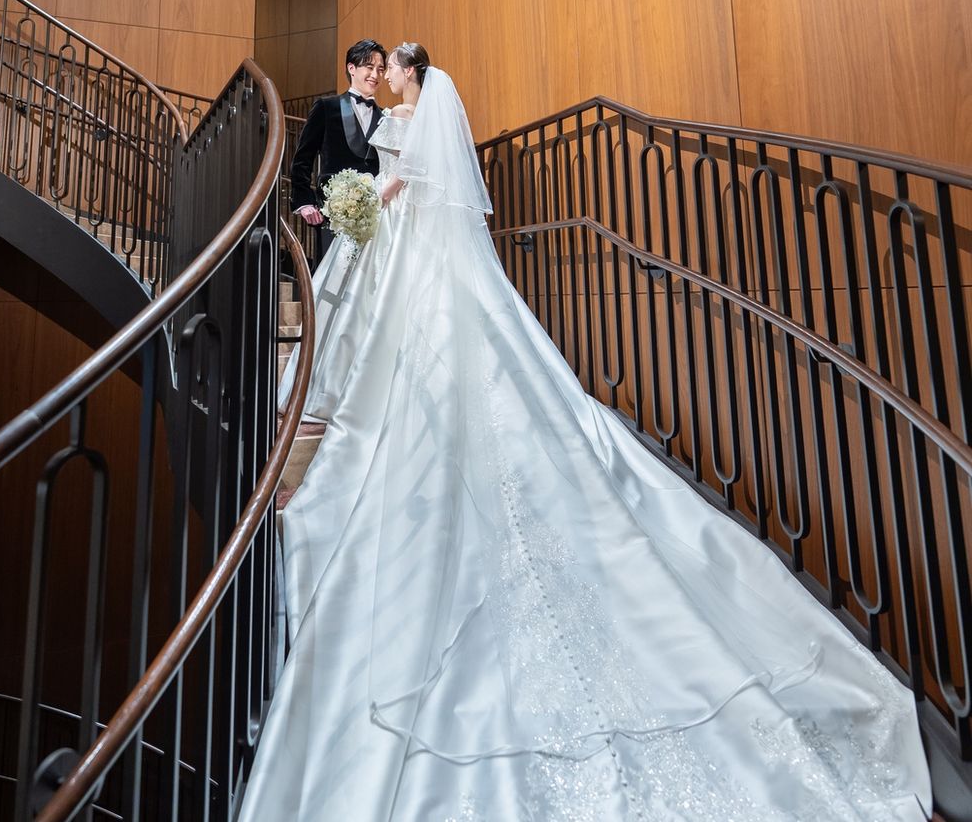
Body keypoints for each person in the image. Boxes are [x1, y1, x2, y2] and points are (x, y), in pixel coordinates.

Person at [252, 44, 931, 821]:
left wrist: (374, 198)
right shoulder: (391, 113)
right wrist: (357, 200)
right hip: (406, 235)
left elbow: (416, 179)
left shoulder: (411, 117)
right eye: (382, 67)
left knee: (422, 337)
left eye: (395, 66)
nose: (389, 74)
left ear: (406, 73)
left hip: (408, 232)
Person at [290, 39, 387, 267]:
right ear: (351, 68)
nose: (375, 75)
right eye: (369, 67)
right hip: (333, 212)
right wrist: (305, 202)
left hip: (374, 219)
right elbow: (303, 158)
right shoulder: (327, 107)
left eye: (381, 69)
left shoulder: (385, 117)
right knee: (331, 277)